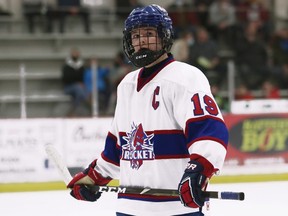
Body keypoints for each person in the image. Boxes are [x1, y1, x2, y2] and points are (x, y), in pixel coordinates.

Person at [67, 4, 229, 216]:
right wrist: (94, 176)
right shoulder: (126, 85)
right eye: (135, 36)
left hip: (176, 210)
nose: (141, 40)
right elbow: (118, 148)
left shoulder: (186, 77)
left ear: (165, 37)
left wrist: (199, 169)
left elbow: (209, 130)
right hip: (129, 208)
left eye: (149, 34)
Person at [61, 48, 90, 117]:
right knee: (79, 89)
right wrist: (76, 81)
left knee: (81, 91)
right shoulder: (67, 66)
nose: (75, 55)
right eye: (74, 53)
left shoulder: (81, 66)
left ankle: (73, 111)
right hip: (69, 87)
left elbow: (83, 78)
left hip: (80, 87)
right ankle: (89, 103)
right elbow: (66, 79)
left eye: (76, 53)